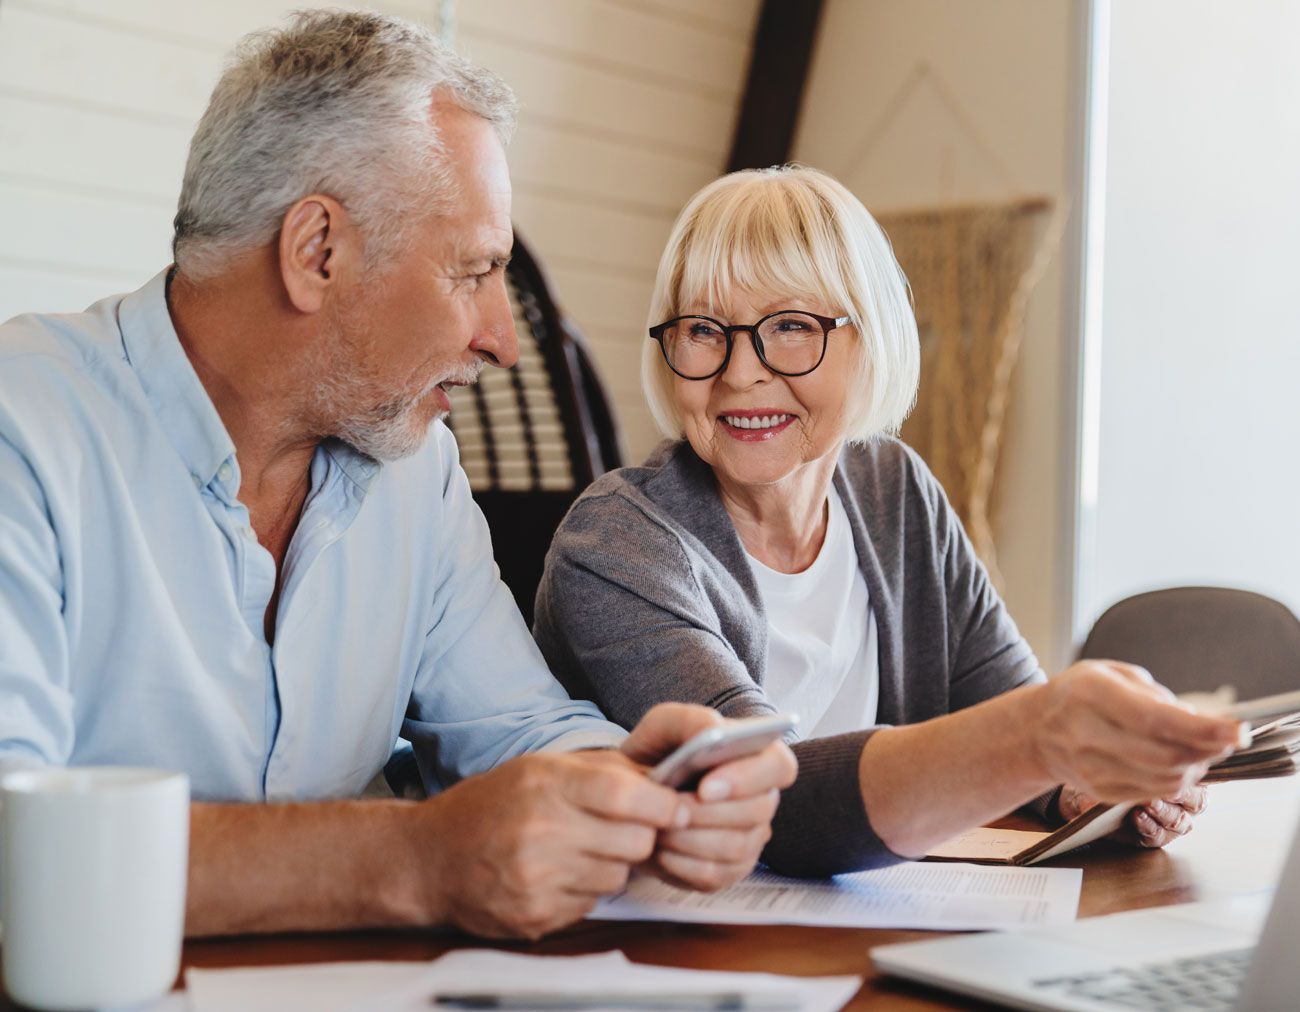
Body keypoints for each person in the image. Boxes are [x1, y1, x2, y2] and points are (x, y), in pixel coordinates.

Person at [0, 12, 795, 940]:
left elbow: (518, 731)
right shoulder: (26, 431)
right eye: (475, 272)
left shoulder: (415, 469)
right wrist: (415, 859)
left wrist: (646, 794)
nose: (502, 338)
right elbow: (17, 847)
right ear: (317, 252)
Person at [533, 166, 1242, 877]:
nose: (741, 372)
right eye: (703, 330)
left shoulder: (896, 491)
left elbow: (1010, 704)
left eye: (789, 327)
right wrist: (1044, 738)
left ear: (866, 340)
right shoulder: (615, 544)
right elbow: (765, 801)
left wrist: (1087, 784)